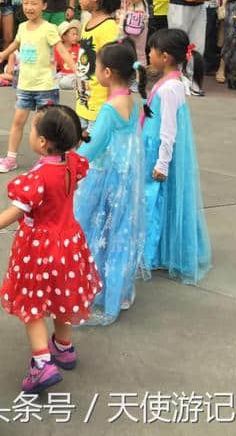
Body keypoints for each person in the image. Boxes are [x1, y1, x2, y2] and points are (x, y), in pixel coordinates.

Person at [0, 106, 102, 392]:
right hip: (69, 243)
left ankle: (42, 363)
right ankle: (63, 347)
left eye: (33, 131)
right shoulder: (73, 163)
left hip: (40, 248)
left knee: (34, 305)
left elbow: (15, 212)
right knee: (62, 296)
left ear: (42, 143)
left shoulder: (38, 179)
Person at [74, 41, 146, 325]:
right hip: (124, 176)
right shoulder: (132, 99)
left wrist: (72, 160)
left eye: (98, 67)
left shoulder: (108, 109)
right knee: (117, 231)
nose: (95, 73)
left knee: (93, 228)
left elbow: (93, 147)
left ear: (108, 72)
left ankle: (96, 289)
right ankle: (120, 291)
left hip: (104, 177)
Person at [142, 28, 211, 284]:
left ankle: (154, 252)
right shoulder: (169, 82)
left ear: (166, 56)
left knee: (157, 201)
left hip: (159, 152)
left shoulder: (171, 87)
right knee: (160, 200)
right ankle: (161, 250)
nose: (149, 54)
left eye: (152, 50)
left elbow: (168, 129)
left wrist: (162, 162)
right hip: (153, 148)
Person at [0, 0, 77, 173]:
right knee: (18, 121)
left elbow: (62, 50)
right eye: (26, 3)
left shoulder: (49, 28)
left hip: (46, 86)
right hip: (25, 85)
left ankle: (47, 158)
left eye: (34, 3)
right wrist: (4, 54)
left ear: (44, 5)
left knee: (44, 126)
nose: (29, 7)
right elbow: (16, 43)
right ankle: (11, 158)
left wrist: (76, 69)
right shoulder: (22, 27)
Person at [75, 0, 121, 128]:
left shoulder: (108, 27)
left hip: (100, 110)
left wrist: (110, 107)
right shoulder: (88, 23)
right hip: (84, 103)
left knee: (97, 150)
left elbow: (113, 70)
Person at [54, 20, 80, 89]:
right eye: (73, 34)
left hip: (74, 75)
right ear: (64, 37)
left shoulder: (78, 47)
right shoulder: (57, 49)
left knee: (64, 82)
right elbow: (56, 66)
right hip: (62, 74)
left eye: (76, 34)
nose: (76, 36)